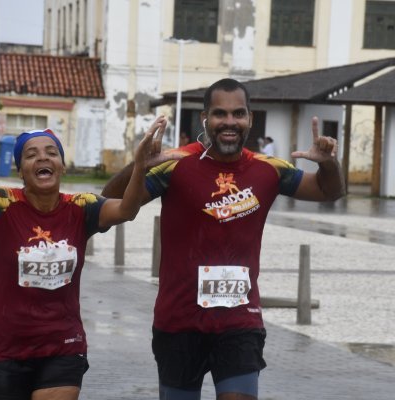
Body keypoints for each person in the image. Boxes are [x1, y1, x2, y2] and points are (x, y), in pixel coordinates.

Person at [101, 78, 345, 400]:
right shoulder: (176, 164)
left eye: (238, 113)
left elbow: (330, 191)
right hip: (179, 322)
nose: (229, 122)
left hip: (239, 321)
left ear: (250, 119)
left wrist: (328, 164)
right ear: (206, 118)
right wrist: (139, 165)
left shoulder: (268, 169)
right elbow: (110, 201)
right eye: (220, 113)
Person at [0, 126, 169, 400]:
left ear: (62, 166)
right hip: (4, 350)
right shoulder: (2, 204)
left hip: (63, 345)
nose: (42, 158)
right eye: (31, 155)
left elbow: (126, 209)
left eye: (51, 153)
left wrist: (140, 167)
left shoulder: (81, 205)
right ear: (20, 171)